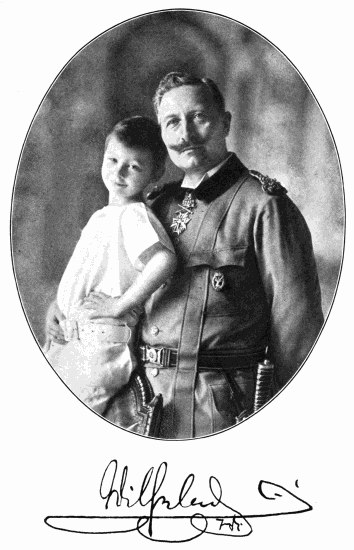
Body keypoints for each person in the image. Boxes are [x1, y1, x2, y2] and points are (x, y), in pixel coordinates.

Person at [47, 72, 324, 440]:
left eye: (199, 117)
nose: (186, 134)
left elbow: (299, 337)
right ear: (161, 134)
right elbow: (110, 270)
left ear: (225, 122)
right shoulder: (152, 204)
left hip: (221, 411)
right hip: (138, 404)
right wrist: (64, 306)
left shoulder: (265, 207)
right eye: (172, 122)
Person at [45, 116, 176, 415]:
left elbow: (164, 259)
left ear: (156, 173)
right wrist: (60, 304)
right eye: (113, 159)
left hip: (101, 345)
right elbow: (89, 273)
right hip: (74, 336)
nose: (119, 172)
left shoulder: (133, 215)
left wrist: (120, 305)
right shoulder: (104, 216)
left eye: (134, 166)